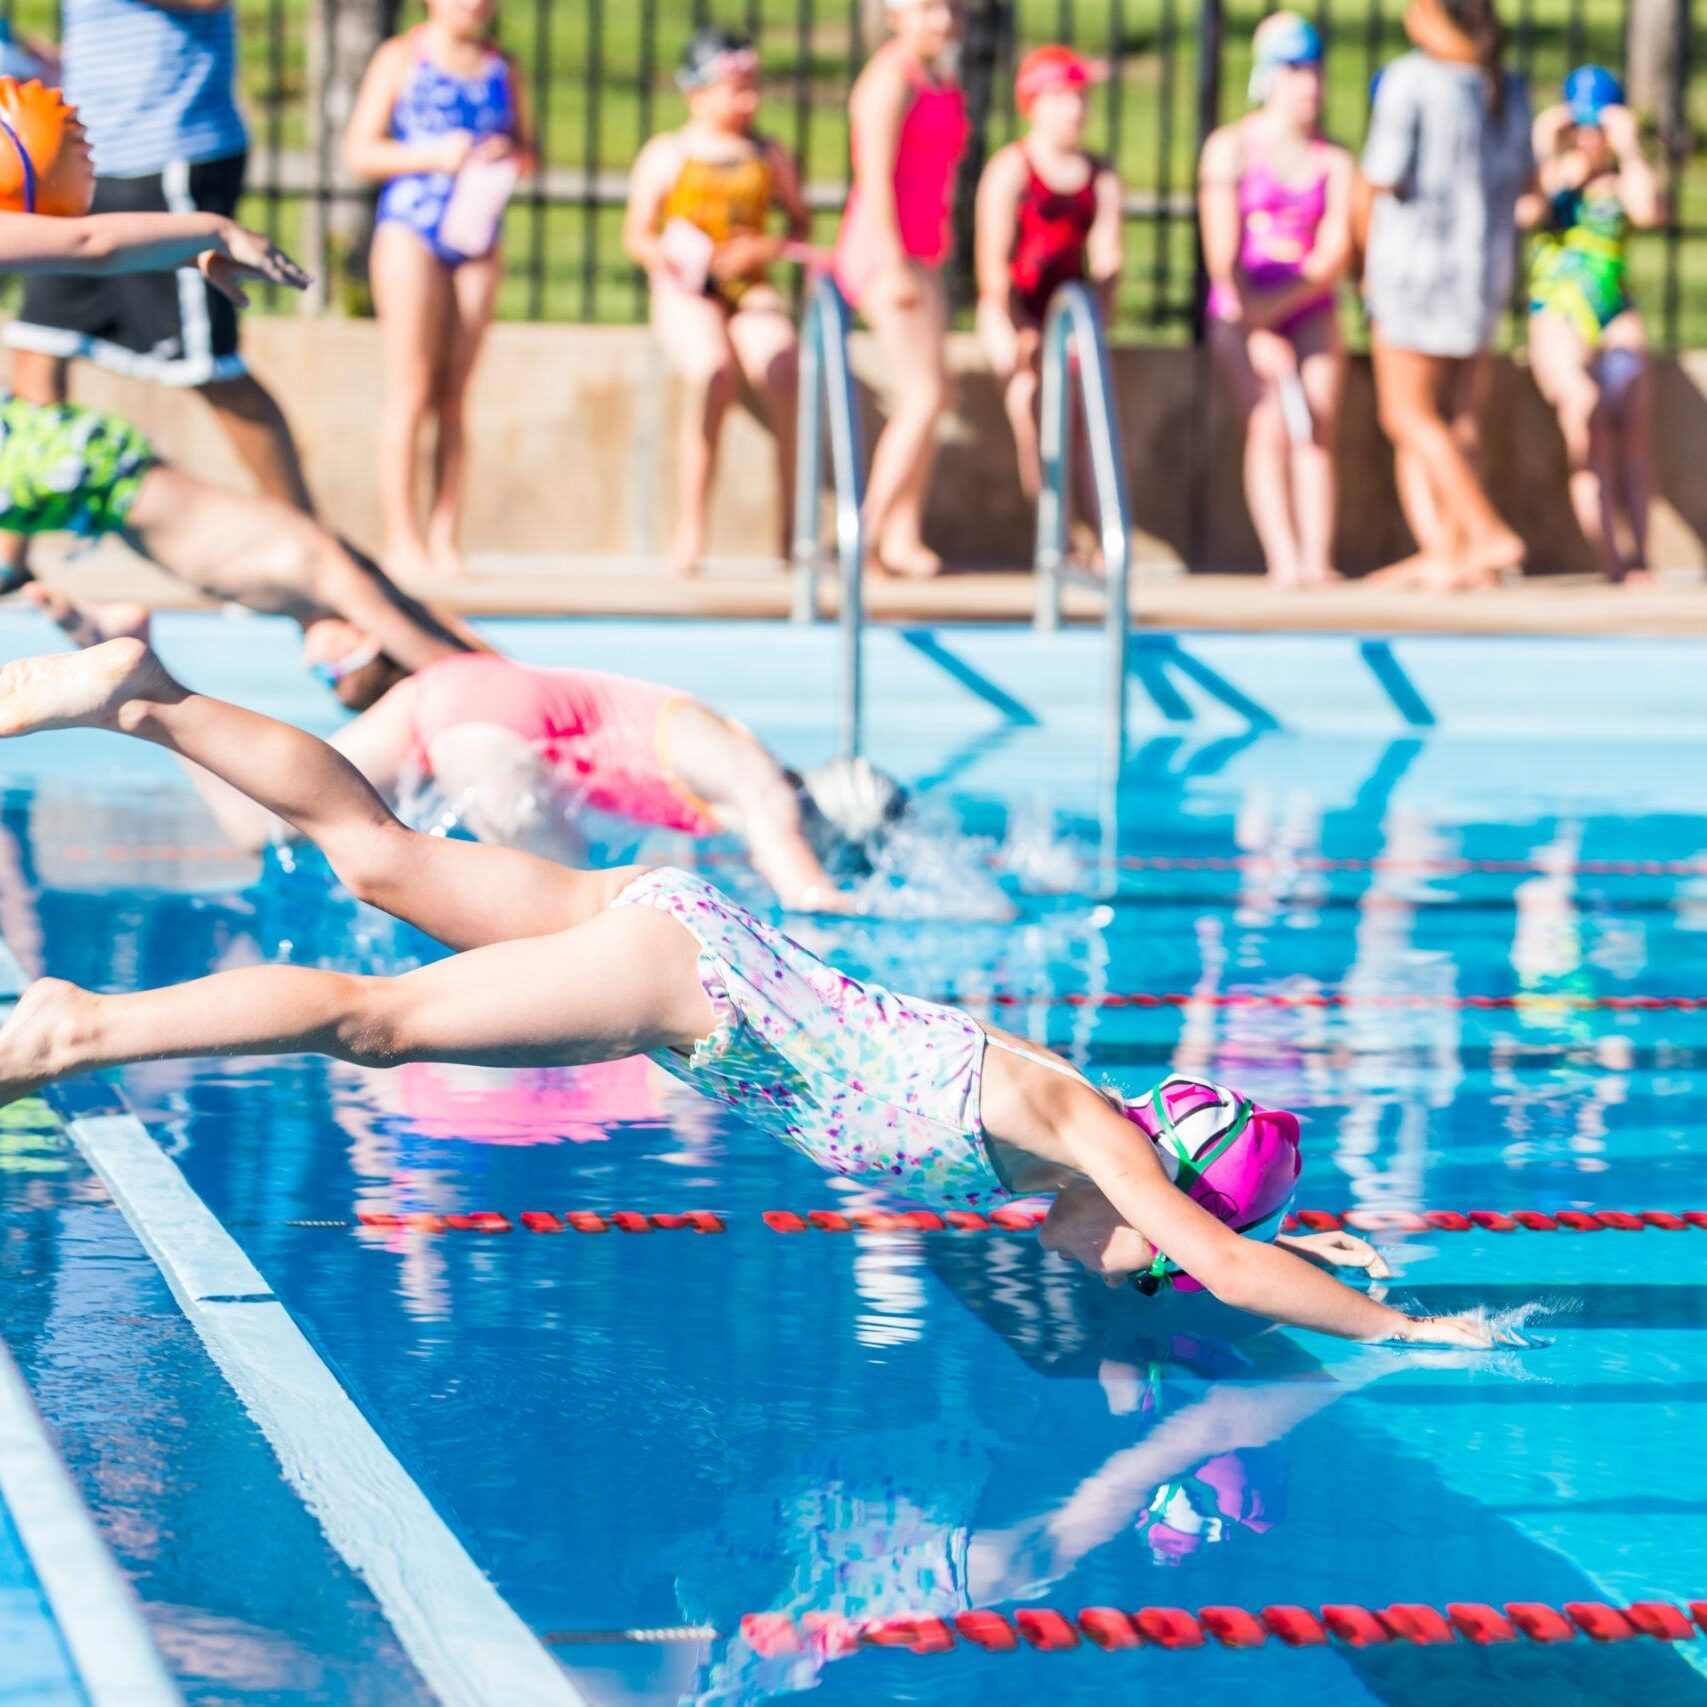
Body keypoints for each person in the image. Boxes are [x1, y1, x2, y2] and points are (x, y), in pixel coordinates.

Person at [0, 635, 1530, 1352]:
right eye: (1158, 1256)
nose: (1139, 1269)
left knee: (382, 857)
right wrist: (1399, 1325)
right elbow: (1226, 1263)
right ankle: (80, 1026)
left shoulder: (1076, 1142)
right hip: (690, 982)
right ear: (1166, 1180)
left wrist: (1297, 1242)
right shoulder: (1091, 1134)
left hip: (689, 937)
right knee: (378, 1020)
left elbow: (1209, 1247)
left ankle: (143, 695)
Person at [0, 78, 474, 707]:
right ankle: (450, 674)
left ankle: (426, 664)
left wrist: (195, 243)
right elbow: (91, 244)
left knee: (321, 569)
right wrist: (212, 232)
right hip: (54, 459)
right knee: (322, 568)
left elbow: (89, 244)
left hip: (48, 459)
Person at [34, 593, 899, 912]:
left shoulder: (688, 775)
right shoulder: (736, 750)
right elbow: (769, 804)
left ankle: (148, 685)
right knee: (575, 922)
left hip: (450, 699)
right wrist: (812, 895)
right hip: (495, 728)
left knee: (261, 823)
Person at [2, 0, 314, 565]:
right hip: (94, 161)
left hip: (165, 147)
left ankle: (313, 551)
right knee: (41, 352)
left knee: (209, 370)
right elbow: (90, 244)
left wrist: (203, 237)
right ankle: (10, 559)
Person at [345, 0, 537, 581]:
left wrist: (508, 156)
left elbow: (530, 153)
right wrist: (431, 156)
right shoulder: (401, 57)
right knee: (411, 388)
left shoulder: (504, 67)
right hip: (412, 227)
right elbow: (360, 151)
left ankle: (445, 534)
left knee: (454, 396)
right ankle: (402, 537)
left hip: (477, 232)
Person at [1358, 0, 1535, 590]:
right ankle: (1450, 554)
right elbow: (1525, 186)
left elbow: (1378, 178)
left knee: (1407, 414)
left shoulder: (1412, 79)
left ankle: (1485, 532)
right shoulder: (1506, 85)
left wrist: (1360, 256)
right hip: (1482, 272)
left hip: (1414, 272)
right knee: (1460, 420)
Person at [624, 30, 810, 579]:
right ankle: (691, 529)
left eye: (753, 88)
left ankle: (792, 528)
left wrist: (762, 248)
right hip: (687, 285)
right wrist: (674, 259)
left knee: (783, 368)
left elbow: (798, 224)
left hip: (746, 284)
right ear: (698, 93)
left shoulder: (767, 154)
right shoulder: (667, 154)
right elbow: (637, 235)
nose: (748, 101)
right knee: (713, 372)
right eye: (736, 90)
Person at [1200, 15, 1354, 587]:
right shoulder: (1231, 150)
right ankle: (1283, 558)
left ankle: (1318, 558)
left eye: (1314, 71)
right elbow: (1221, 255)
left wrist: (1279, 310)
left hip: (1305, 303)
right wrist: (1256, 326)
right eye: (1294, 71)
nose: (1308, 84)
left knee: (1315, 421)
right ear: (1268, 76)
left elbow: (1332, 255)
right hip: (1240, 306)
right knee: (1270, 421)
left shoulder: (1334, 162)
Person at [834, 0, 968, 579]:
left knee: (938, 393)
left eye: (948, 9)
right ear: (895, 15)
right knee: (922, 396)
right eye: (927, 8)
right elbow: (875, 180)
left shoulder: (938, 77)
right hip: (886, 251)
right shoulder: (888, 81)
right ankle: (861, 536)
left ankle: (901, 535)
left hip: (922, 251)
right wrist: (891, 265)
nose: (942, 21)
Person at [1523, 67, 1666, 585]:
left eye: (1597, 127)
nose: (1589, 138)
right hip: (1557, 311)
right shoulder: (1554, 175)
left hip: (1612, 311)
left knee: (1632, 428)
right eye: (1581, 127)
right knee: (1586, 419)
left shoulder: (1622, 180)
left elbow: (1650, 211)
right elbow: (1526, 212)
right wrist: (1544, 146)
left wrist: (1630, 149)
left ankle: (1641, 557)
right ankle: (1610, 557)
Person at [975, 45, 1123, 521]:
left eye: (1080, 98)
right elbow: (993, 265)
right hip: (1012, 308)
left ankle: (1097, 525)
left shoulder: (1100, 177)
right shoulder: (1012, 169)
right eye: (1061, 98)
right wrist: (1019, 327)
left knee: (1083, 405)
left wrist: (1096, 320)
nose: (1074, 110)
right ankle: (1055, 523)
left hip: (1068, 312)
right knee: (1030, 396)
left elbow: (1108, 258)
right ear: (1033, 105)